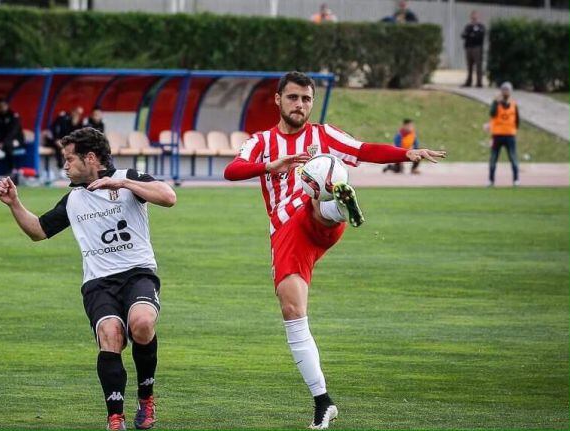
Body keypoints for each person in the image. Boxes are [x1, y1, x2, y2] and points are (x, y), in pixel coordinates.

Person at [223, 72, 445, 429]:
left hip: (313, 221)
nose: (300, 105)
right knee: (292, 310)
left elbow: (364, 150)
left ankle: (337, 201)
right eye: (293, 98)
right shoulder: (261, 141)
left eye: (306, 99)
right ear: (278, 100)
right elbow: (232, 170)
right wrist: (271, 165)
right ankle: (323, 402)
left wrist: (407, 152)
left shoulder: (324, 135)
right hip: (286, 233)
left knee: (322, 171)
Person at [0, 127, 176, 430]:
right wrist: (15, 203)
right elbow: (38, 231)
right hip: (99, 283)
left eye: (69, 159)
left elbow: (168, 197)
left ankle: (146, 397)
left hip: (137, 273)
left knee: (142, 323)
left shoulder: (128, 177)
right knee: (110, 335)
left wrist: (121, 182)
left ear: (90, 158)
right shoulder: (73, 200)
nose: (64, 165)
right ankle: (114, 417)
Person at [488, 82, 520, 187]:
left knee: (513, 157)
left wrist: (515, 132)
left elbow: (517, 120)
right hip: (497, 135)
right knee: (493, 158)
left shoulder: (514, 104)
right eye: (504, 90)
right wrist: (495, 102)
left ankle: (516, 180)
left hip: (510, 135)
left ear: (510, 92)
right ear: (501, 91)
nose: (505, 92)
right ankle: (491, 180)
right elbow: (492, 113)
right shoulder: (496, 104)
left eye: (507, 90)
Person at [0, 98, 25, 179]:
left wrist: (3, 143)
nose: (2, 108)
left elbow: (13, 132)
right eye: (0, 107)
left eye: (3, 106)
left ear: (7, 106)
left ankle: (11, 169)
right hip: (3, 141)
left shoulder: (13, 115)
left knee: (8, 145)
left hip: (16, 139)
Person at [461, 10, 486, 88]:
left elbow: (480, 36)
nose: (474, 18)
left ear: (478, 17)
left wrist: (471, 35)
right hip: (468, 47)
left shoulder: (481, 26)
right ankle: (469, 81)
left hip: (477, 48)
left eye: (475, 16)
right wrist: (471, 35)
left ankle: (479, 82)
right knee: (469, 66)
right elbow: (463, 35)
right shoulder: (468, 26)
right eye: (472, 17)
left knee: (478, 66)